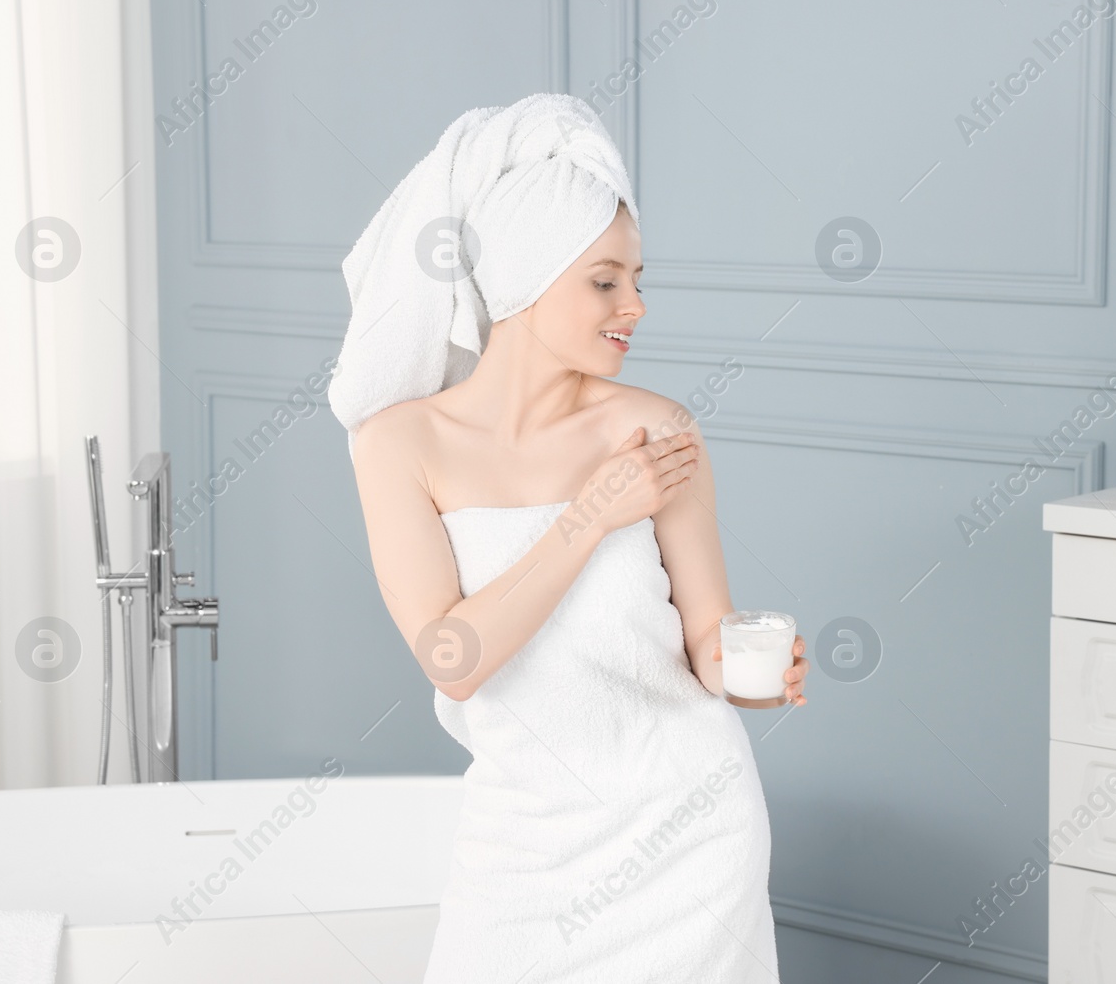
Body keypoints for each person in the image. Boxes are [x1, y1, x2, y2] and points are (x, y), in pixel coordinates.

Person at [337, 94, 808, 982]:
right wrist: (592, 513)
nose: (634, 304)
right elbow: (453, 657)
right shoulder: (399, 445)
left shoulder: (660, 429)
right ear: (522, 277)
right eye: (604, 280)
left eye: (637, 279)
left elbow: (710, 641)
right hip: (521, 843)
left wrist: (756, 675)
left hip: (693, 833)